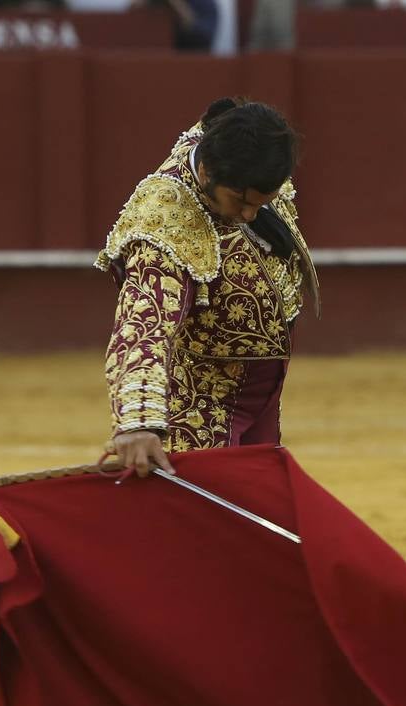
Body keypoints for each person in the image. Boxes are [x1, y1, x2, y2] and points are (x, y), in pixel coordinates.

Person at [98, 97, 319, 478]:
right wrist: (138, 422)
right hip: (202, 405)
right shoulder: (165, 217)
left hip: (260, 395)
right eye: (240, 202)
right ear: (205, 172)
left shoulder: (241, 154)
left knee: (257, 515)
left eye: (259, 204)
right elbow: (143, 324)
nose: (250, 215)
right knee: (201, 525)